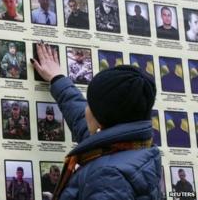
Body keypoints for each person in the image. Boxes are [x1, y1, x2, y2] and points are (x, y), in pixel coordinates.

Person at [30, 41, 161, 200]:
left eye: (90, 104)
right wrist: (57, 79)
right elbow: (79, 116)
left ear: (101, 120)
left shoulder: (107, 177)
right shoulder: (130, 147)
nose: (85, 109)